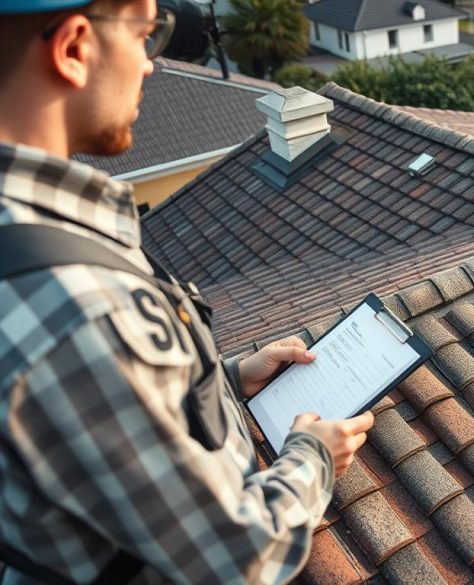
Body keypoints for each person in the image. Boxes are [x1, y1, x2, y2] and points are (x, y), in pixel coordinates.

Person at [0, 0, 374, 582]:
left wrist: (221, 381)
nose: (151, 64)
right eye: (146, 34)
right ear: (74, 48)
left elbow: (94, 429)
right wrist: (313, 456)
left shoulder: (29, 235)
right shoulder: (79, 309)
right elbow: (237, 557)